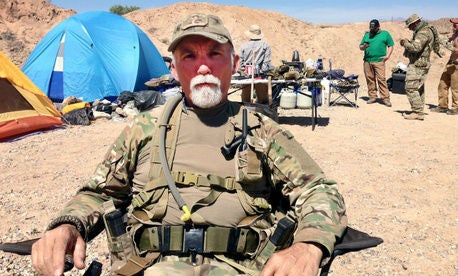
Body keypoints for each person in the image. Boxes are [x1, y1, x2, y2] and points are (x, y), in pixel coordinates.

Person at [31, 13, 347, 276]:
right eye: (189, 56)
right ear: (173, 68)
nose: (203, 66)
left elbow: (319, 190)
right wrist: (67, 225)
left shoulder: (263, 132)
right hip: (147, 268)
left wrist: (309, 245)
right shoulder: (144, 129)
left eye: (214, 54)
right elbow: (98, 194)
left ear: (235, 63)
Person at [399, 14, 435, 120]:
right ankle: (419, 111)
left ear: (415, 23)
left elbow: (416, 47)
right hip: (420, 63)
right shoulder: (423, 31)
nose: (410, 29)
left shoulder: (423, 32)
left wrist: (405, 43)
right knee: (418, 88)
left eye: (410, 26)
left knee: (410, 87)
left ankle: (417, 112)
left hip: (418, 64)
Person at [359, 19, 394, 107]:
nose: (372, 30)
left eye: (374, 28)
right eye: (371, 28)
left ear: (378, 27)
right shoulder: (367, 34)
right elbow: (360, 47)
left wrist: (388, 56)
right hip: (367, 61)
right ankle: (372, 96)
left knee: (381, 79)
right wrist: (364, 46)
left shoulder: (385, 34)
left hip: (379, 61)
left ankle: (385, 98)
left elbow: (391, 45)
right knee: (369, 79)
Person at [239, 24, 275, 104]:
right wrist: (262, 71)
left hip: (247, 77)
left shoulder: (243, 46)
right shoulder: (265, 45)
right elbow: (266, 63)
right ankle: (262, 114)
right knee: (263, 101)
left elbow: (241, 64)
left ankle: (247, 115)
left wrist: (244, 71)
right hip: (261, 77)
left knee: (245, 101)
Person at [432, 18, 458, 115]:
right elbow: (447, 40)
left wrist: (447, 45)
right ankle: (442, 106)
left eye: (455, 25)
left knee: (456, 88)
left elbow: (456, 50)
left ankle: (456, 108)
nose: (453, 27)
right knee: (442, 84)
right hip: (450, 63)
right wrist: (439, 40)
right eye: (453, 25)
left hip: (457, 65)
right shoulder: (455, 35)